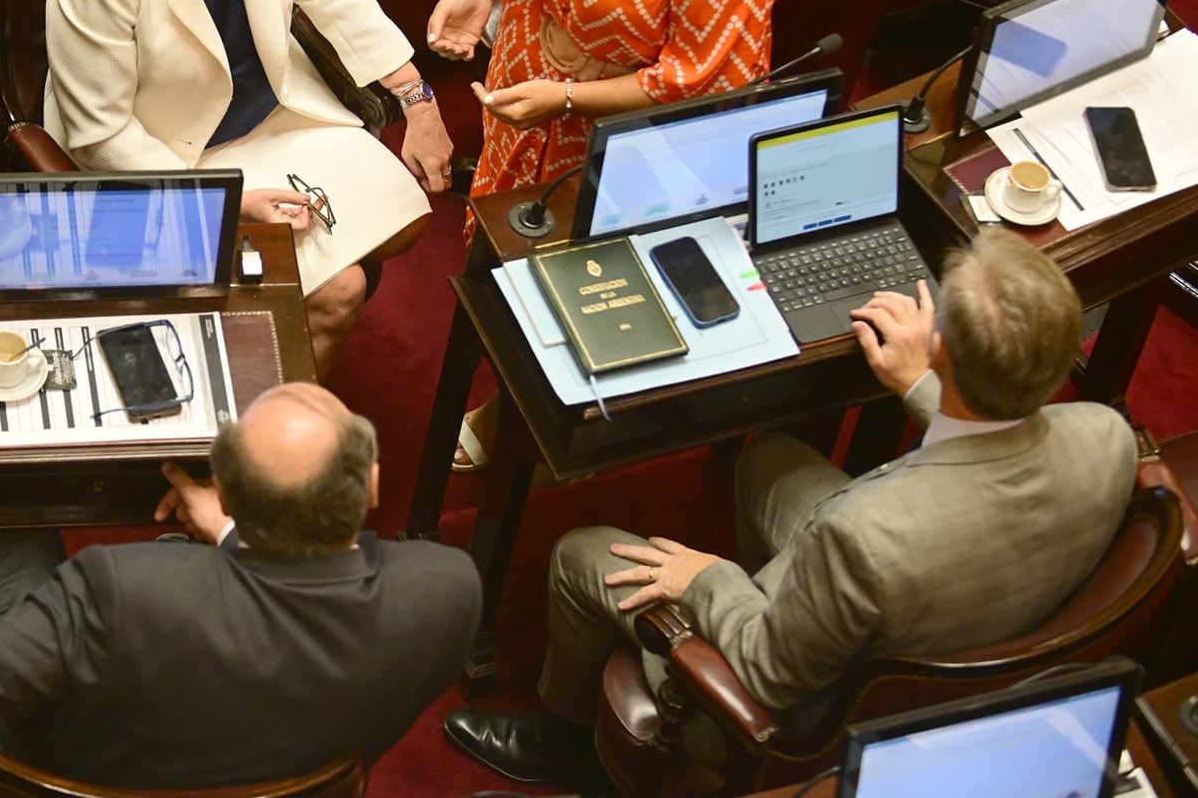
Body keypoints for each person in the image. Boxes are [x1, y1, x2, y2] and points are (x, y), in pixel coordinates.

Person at [443, 228, 1137, 787]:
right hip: (961, 590)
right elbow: (994, 443)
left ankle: (570, 742)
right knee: (767, 458)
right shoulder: (1107, 437)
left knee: (578, 553)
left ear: (942, 346)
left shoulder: (860, 538)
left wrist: (709, 579)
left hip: (794, 696)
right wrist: (926, 387)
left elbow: (768, 667)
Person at [427, 0, 787, 467]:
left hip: (631, 131)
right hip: (532, 79)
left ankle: (524, 408)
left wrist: (565, 99)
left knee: (582, 288)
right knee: (505, 247)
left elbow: (707, 79)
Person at [43, 0, 454, 376]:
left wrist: (416, 100)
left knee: (406, 222)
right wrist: (224, 204)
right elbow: (99, 135)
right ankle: (255, 448)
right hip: (177, 151)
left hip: (281, 115)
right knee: (341, 291)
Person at [0, 382, 481, 790]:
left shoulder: (120, 593)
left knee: (7, 520)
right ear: (372, 487)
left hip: (56, 775)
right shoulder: (448, 591)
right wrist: (227, 537)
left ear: (226, 492)